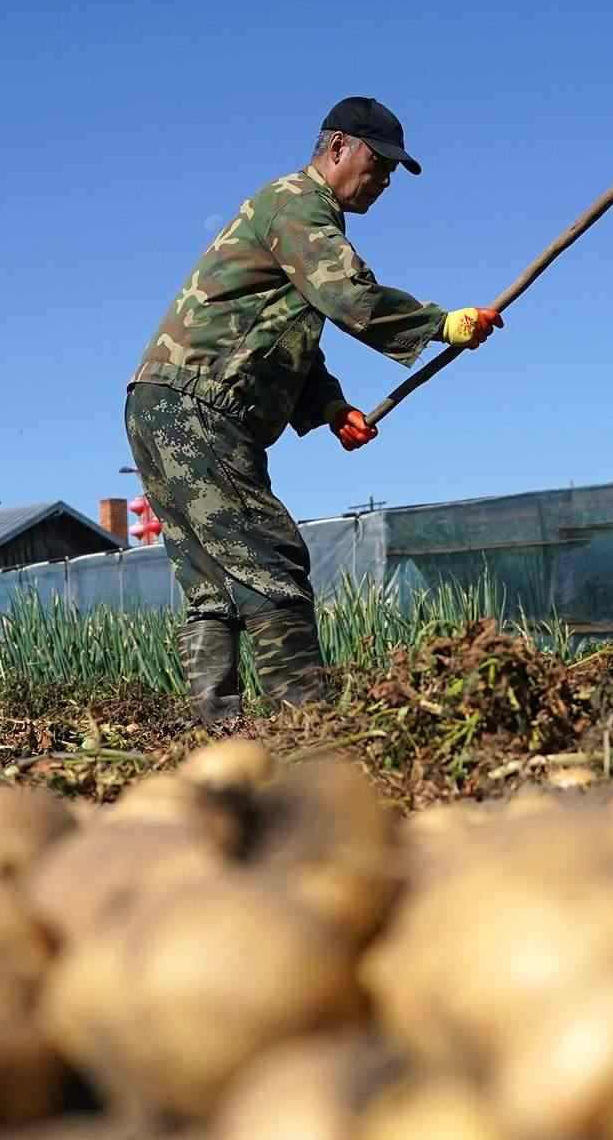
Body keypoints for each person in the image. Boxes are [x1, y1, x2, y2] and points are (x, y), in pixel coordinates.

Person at [122, 96, 502, 724]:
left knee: (215, 589)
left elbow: (283, 335)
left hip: (162, 402)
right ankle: (310, 733)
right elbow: (348, 295)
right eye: (379, 164)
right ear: (338, 147)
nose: (383, 181)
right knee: (272, 561)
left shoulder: (288, 213)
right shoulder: (298, 203)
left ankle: (216, 741)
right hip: (198, 407)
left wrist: (330, 408)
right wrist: (442, 324)